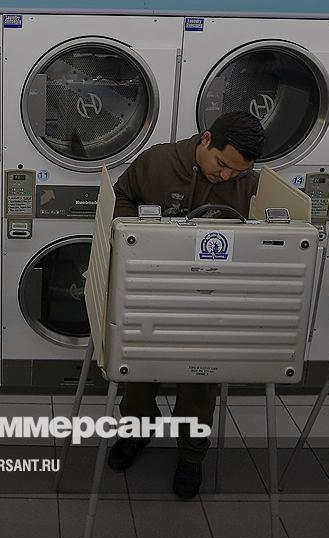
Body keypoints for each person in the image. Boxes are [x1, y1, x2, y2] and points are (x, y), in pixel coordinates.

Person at [108, 111, 265, 499]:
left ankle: (191, 455)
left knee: (200, 380)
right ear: (206, 139)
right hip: (150, 289)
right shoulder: (157, 162)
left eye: (237, 172)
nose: (226, 176)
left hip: (210, 301)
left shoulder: (252, 185)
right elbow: (122, 196)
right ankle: (137, 432)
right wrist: (131, 233)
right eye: (222, 164)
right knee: (137, 373)